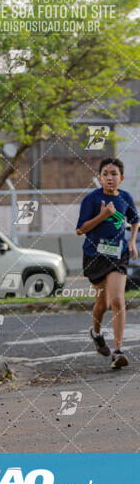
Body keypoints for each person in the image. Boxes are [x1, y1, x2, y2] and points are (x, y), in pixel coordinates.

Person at [76, 157, 139, 369]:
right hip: (94, 256)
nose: (110, 177)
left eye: (114, 174)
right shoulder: (92, 200)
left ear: (121, 178)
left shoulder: (126, 198)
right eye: (105, 174)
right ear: (99, 177)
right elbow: (80, 229)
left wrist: (132, 242)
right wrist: (103, 215)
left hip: (118, 256)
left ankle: (118, 351)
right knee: (101, 305)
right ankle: (96, 332)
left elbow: (135, 220)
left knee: (118, 301)